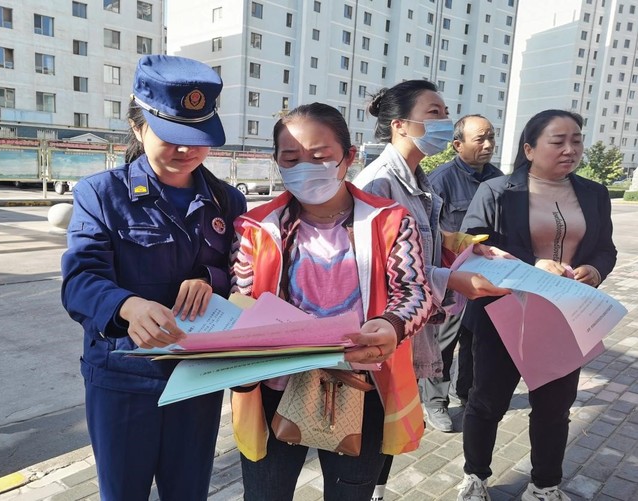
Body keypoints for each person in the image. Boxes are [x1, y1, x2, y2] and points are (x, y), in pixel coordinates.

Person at [60, 54, 247, 500]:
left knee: (188, 492)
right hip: (123, 377)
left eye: (198, 138)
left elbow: (246, 278)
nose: (187, 151)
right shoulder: (100, 195)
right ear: (138, 125)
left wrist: (211, 279)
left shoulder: (228, 202)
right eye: (172, 137)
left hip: (197, 377)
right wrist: (127, 305)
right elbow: (80, 279)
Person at [229, 102, 434, 501]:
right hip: (276, 387)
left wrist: (391, 326)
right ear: (277, 162)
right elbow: (242, 298)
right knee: (266, 492)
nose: (305, 166)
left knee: (350, 493)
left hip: (360, 384)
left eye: (320, 156)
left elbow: (414, 291)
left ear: (349, 157)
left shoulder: (389, 220)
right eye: (291, 158)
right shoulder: (257, 227)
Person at [351, 80, 510, 501]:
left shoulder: (414, 178)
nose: (444, 121)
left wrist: (464, 245)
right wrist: (452, 280)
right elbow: (378, 272)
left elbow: (420, 238)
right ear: (402, 125)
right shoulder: (380, 182)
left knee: (388, 424)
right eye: (435, 112)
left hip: (405, 325)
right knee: (374, 425)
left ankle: (376, 490)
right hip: (384, 327)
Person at [456, 109, 617, 501]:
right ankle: (475, 475)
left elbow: (605, 249)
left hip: (565, 317)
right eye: (557, 141)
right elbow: (471, 249)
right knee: (487, 402)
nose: (570, 149)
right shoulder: (496, 191)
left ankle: (545, 484)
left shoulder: (593, 193)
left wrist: (594, 271)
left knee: (554, 408)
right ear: (529, 148)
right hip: (504, 314)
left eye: (576, 140)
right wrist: (530, 265)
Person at [419, 115, 504, 424]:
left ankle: (464, 390)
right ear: (457, 145)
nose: (488, 144)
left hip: (487, 274)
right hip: (451, 276)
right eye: (480, 139)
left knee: (475, 339)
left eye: (491, 137)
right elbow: (430, 231)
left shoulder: (499, 178)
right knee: (444, 340)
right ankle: (435, 401)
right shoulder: (440, 180)